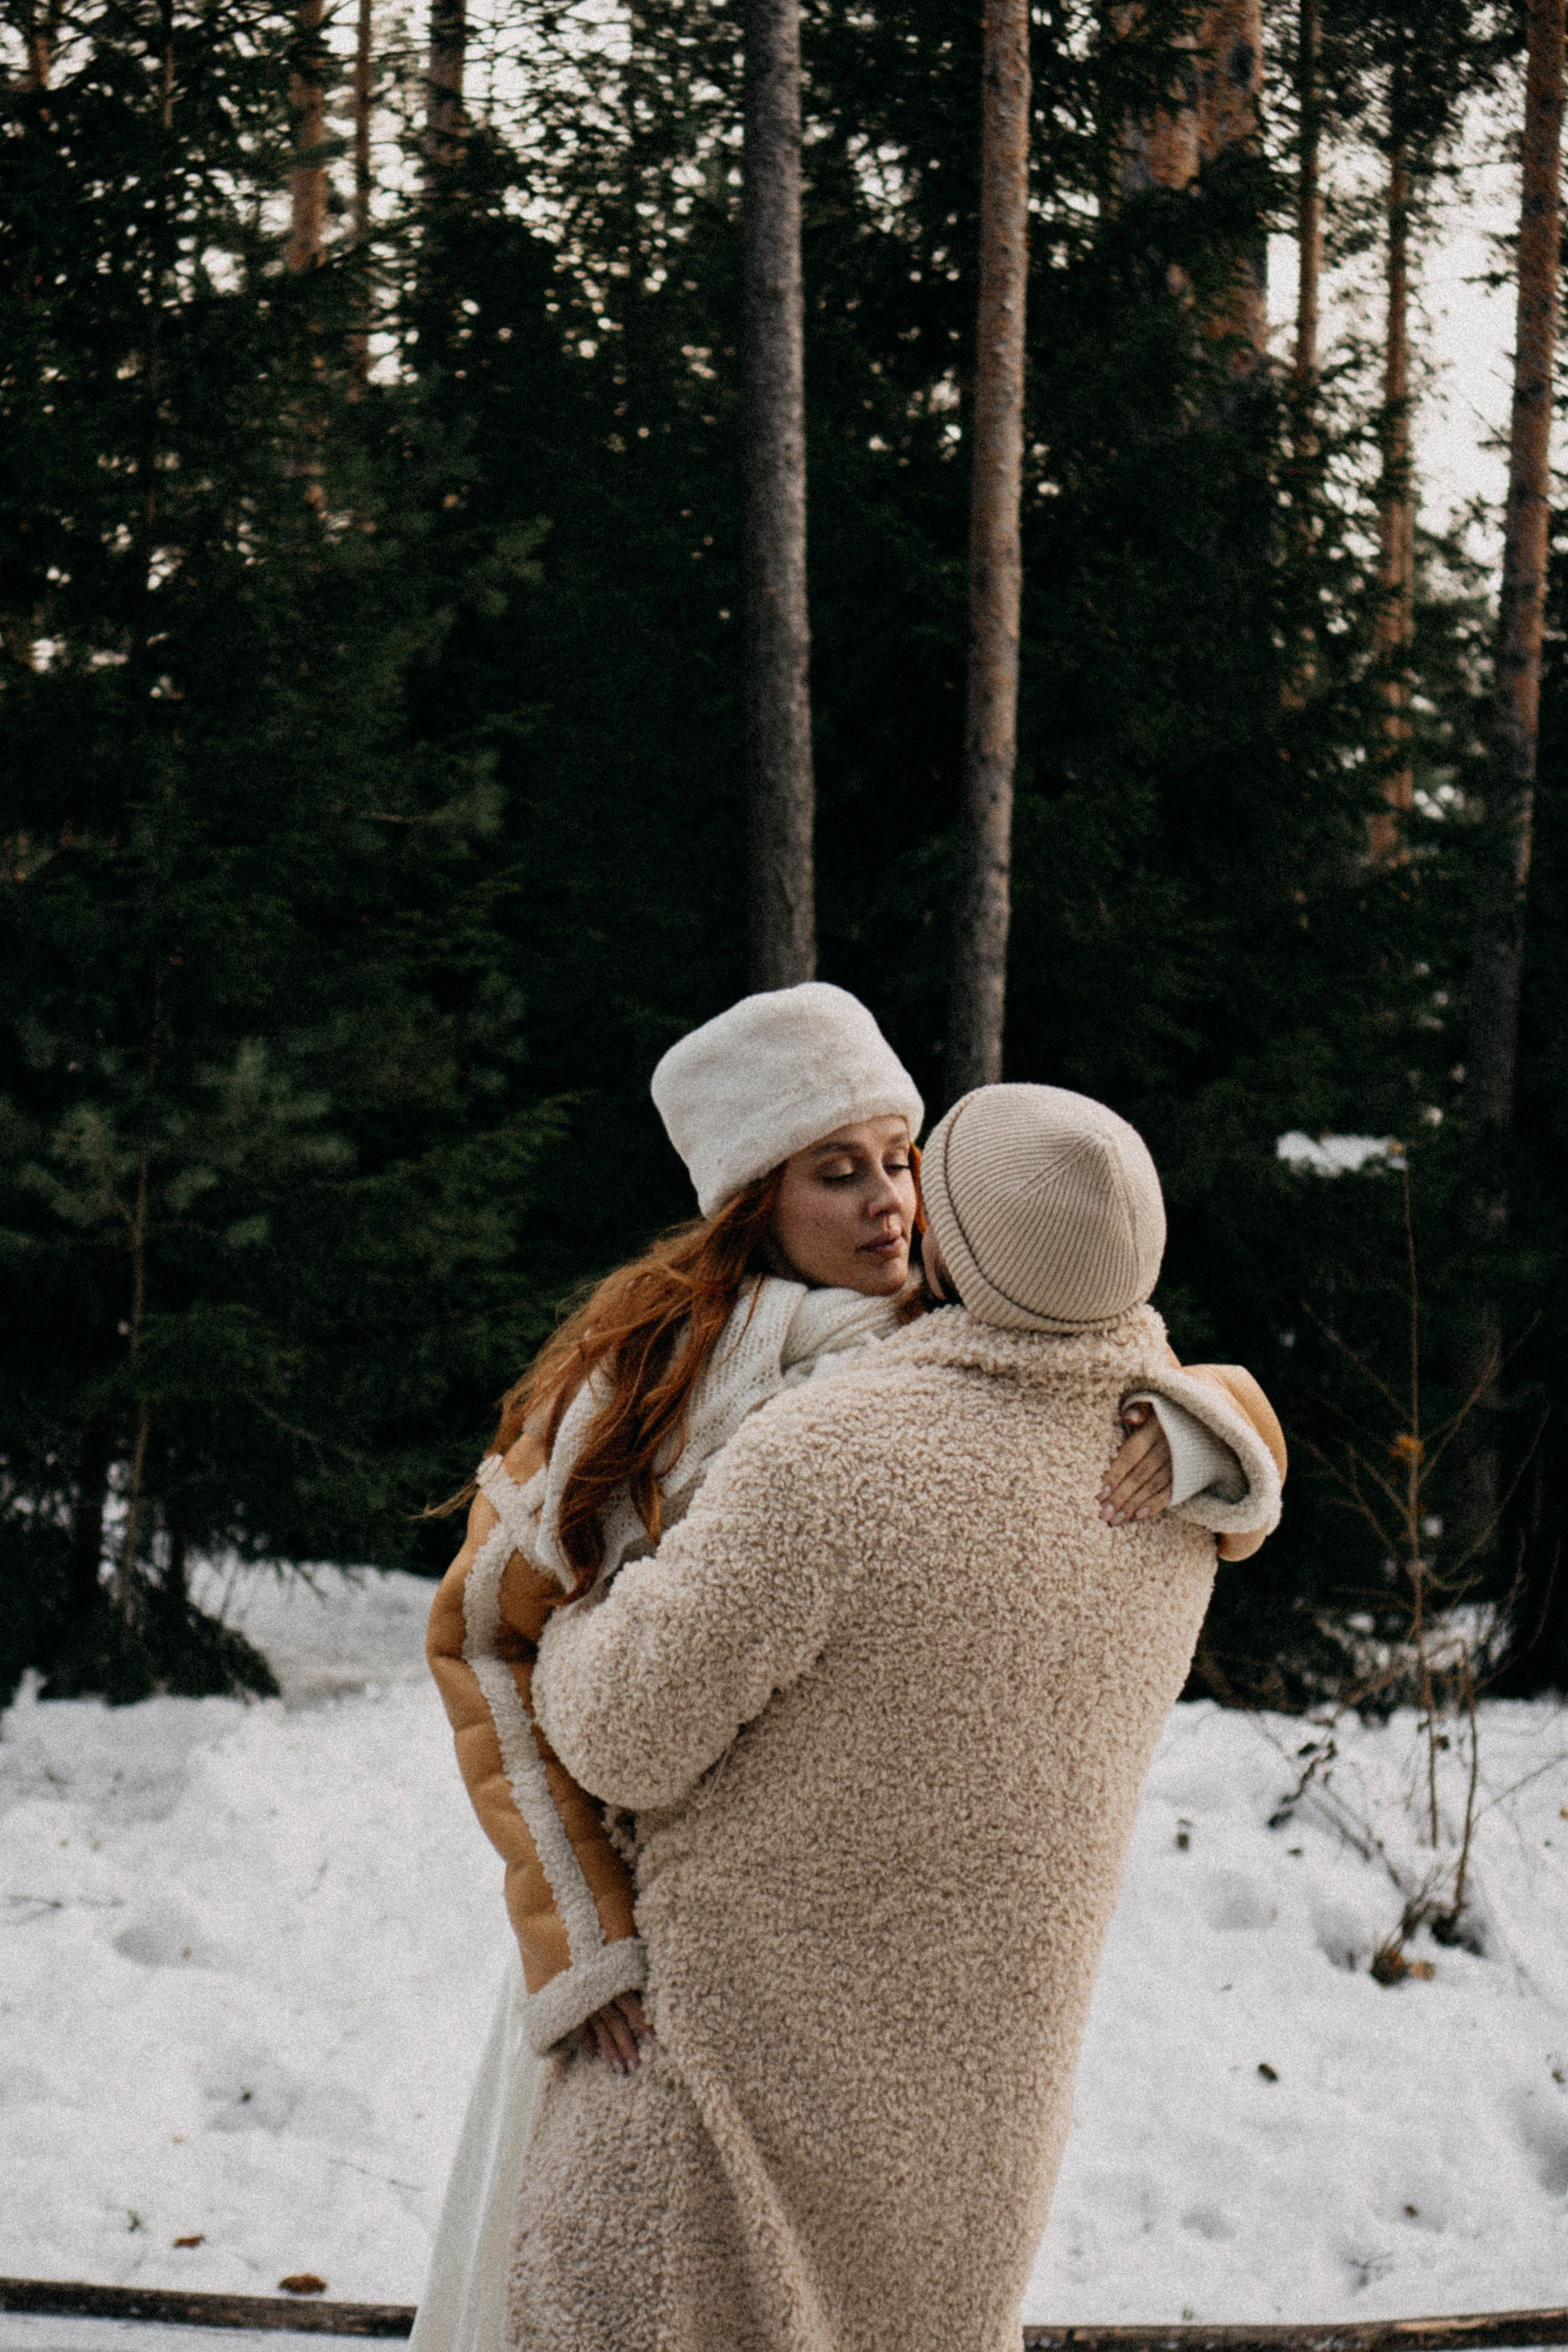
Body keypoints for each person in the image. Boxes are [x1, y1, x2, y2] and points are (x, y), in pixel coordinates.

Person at [420, 990, 1284, 2352]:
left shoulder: (961, 1325)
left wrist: (1208, 1430)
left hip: (871, 2007)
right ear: (748, 1199)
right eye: (838, 1173)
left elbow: (1151, 1354)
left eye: (901, 1161)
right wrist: (581, 1937)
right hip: (643, 1971)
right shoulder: (635, 1387)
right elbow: (483, 1641)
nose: (888, 1206)